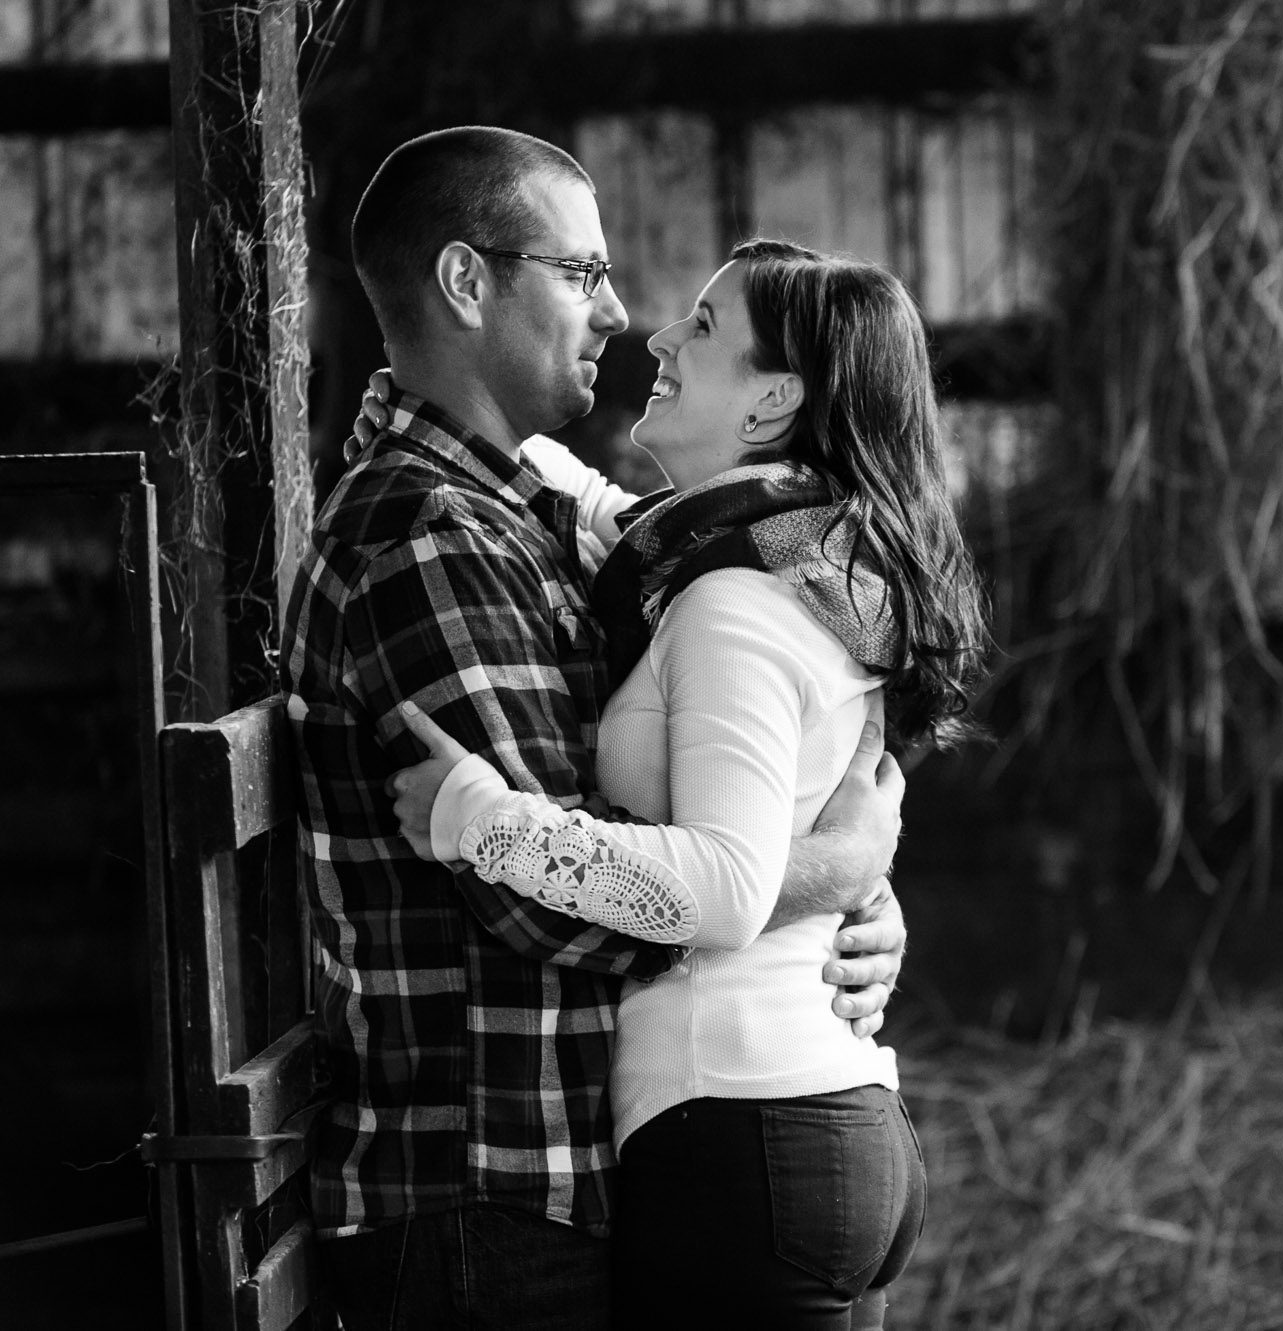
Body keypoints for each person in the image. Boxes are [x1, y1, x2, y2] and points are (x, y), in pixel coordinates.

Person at [284, 128, 909, 1331]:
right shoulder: (432, 539)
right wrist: (833, 870)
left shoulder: (544, 518)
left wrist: (850, 883)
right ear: (467, 281)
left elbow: (780, 718)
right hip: (485, 1196)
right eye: (581, 272)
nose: (622, 316)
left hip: (567, 1176)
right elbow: (542, 902)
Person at [383, 239, 990, 1328]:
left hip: (745, 1132)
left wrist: (480, 819)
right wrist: (412, 402)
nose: (660, 334)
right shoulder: (777, 555)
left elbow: (726, 889)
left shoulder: (732, 603)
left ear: (772, 401)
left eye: (703, 326)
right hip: (807, 1122)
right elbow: (584, 500)